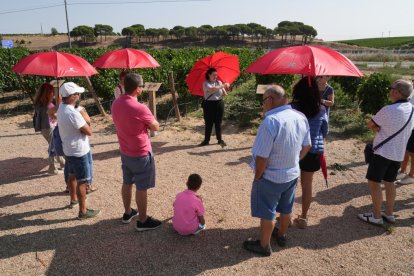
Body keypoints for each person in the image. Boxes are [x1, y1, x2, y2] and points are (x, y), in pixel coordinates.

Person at [243, 85, 311, 256]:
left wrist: (258, 176)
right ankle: (282, 235)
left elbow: (262, 157)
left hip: (271, 176)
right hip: (292, 174)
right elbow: (307, 145)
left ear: (270, 100)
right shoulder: (300, 116)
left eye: (264, 100)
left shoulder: (270, 122)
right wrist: (295, 161)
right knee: (286, 208)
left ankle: (264, 245)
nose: (263, 104)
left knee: (268, 212)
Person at [359, 79, 414, 225]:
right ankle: (389, 213)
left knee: (374, 182)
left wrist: (377, 128)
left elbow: (371, 123)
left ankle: (376, 216)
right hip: (398, 153)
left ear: (398, 92)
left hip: (382, 152)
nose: (390, 90)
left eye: (392, 88)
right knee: (390, 183)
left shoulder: (388, 109)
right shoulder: (411, 108)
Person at [111, 73, 162, 231]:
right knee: (142, 187)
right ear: (138, 89)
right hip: (140, 152)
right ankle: (143, 220)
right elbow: (156, 126)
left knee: (127, 182)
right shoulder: (141, 108)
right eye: (142, 86)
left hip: (125, 151)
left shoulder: (116, 103)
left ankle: (127, 213)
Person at [57, 82, 100, 220]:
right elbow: (89, 131)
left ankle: (73, 199)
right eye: (76, 94)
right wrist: (85, 117)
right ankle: (83, 211)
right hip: (79, 150)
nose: (79, 96)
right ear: (70, 97)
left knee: (71, 175)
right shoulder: (72, 113)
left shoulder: (61, 108)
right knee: (82, 181)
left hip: (68, 149)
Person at [291, 77, 329, 229]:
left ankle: (283, 217)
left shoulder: (292, 107)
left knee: (289, 186)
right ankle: (304, 217)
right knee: (307, 185)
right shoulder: (321, 108)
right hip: (313, 150)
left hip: (293, 150)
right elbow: (325, 130)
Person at [33, 83, 65, 175]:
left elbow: (50, 115)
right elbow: (56, 111)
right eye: (52, 93)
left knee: (55, 146)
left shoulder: (40, 104)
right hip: (50, 128)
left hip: (44, 128)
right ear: (48, 93)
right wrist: (59, 100)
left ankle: (63, 164)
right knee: (54, 147)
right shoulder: (49, 105)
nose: (53, 95)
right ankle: (52, 168)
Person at [198, 68, 229, 147]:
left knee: (218, 122)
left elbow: (224, 94)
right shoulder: (205, 83)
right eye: (214, 75)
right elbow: (212, 90)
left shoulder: (219, 82)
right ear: (209, 75)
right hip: (209, 104)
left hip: (219, 103)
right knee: (209, 122)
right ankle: (206, 140)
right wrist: (222, 85)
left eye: (216, 75)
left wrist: (226, 87)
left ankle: (219, 139)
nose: (216, 76)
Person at [396, 93, 414, 185]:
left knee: (412, 153)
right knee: (406, 150)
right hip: (411, 124)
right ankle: (402, 171)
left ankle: (411, 176)